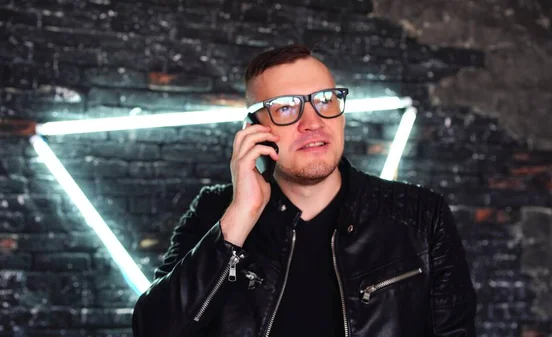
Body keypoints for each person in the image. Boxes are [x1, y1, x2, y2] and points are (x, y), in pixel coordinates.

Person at [131, 44, 477, 337]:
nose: (312, 122)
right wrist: (240, 217)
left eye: (325, 100)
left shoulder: (420, 214)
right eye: (285, 107)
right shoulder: (215, 211)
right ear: (255, 130)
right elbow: (154, 330)